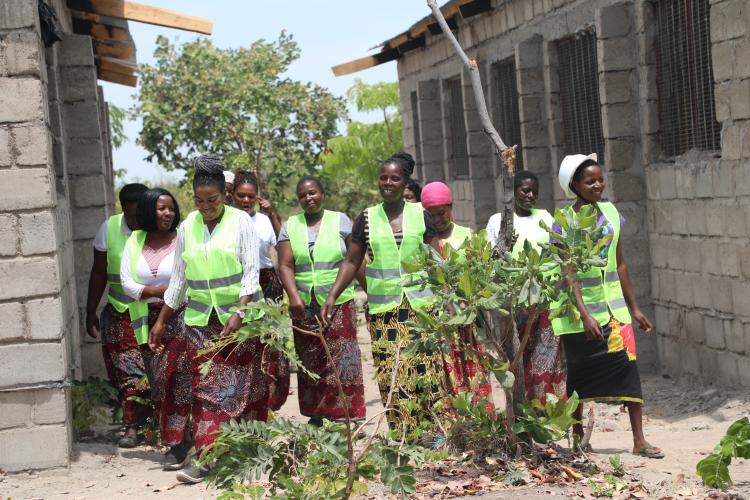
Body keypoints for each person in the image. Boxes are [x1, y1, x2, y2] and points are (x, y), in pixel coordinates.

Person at [150, 154, 268, 483]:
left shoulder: (241, 221)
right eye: (199, 201)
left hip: (239, 320)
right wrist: (162, 320)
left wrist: (240, 310)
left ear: (224, 195)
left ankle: (249, 452)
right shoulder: (187, 226)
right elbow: (179, 279)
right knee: (207, 389)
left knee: (246, 388)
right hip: (200, 320)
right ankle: (206, 455)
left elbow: (251, 271)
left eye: (212, 200)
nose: (206, 207)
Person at [321, 152, 443, 430]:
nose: (388, 182)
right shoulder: (366, 218)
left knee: (426, 368)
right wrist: (332, 295)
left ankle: (434, 431)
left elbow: (436, 259)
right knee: (393, 372)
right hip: (384, 311)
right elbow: (352, 261)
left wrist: (448, 297)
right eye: (383, 177)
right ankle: (404, 433)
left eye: (395, 178)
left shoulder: (420, 214)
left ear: (405, 183)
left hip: (421, 308)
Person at [552, 153, 662, 458]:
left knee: (630, 372)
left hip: (615, 314)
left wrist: (635, 308)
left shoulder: (611, 212)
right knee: (579, 380)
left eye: (600, 179)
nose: (598, 184)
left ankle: (639, 440)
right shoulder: (564, 222)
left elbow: (621, 263)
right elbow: (568, 273)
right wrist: (585, 315)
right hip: (580, 317)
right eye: (590, 181)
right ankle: (577, 442)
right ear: (574, 185)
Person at [276, 175, 366, 424]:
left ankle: (346, 413)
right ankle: (317, 412)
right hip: (303, 303)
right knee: (310, 358)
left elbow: (354, 260)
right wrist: (293, 296)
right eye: (303, 195)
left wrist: (369, 292)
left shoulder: (341, 221)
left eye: (313, 193)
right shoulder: (290, 225)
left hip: (339, 300)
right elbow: (285, 264)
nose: (308, 198)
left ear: (322, 194)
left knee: (343, 356)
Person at [119, 188, 192, 470]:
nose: (168, 213)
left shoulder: (181, 238)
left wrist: (165, 296)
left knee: (180, 379)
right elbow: (126, 281)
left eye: (171, 208)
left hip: (179, 317)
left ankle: (182, 443)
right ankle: (176, 439)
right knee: (160, 383)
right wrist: (156, 290)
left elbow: (183, 279)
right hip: (145, 322)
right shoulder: (135, 239)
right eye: (162, 208)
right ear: (150, 210)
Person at [485, 171, 565, 403]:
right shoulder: (497, 220)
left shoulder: (546, 217)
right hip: (513, 302)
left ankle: (543, 415)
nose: (531, 195)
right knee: (517, 359)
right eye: (525, 190)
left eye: (535, 192)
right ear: (512, 192)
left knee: (546, 360)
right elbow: (493, 259)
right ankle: (520, 413)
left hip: (543, 301)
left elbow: (558, 253)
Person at [86, 182, 149, 448]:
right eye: (130, 215)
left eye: (139, 214)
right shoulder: (109, 229)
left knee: (154, 372)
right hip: (121, 312)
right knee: (128, 375)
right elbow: (99, 272)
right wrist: (90, 310)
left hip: (155, 313)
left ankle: (153, 424)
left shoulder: (160, 227)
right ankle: (132, 427)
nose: (135, 220)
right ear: (122, 208)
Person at [420, 181, 493, 410]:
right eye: (430, 215)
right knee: (447, 373)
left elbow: (480, 274)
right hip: (439, 322)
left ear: (451, 207)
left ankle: (481, 420)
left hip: (468, 318)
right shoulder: (422, 241)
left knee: (475, 368)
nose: (437, 219)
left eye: (441, 213)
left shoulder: (466, 235)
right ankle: (455, 425)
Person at [232, 171, 289, 412]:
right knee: (243, 339)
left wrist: (272, 213)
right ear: (232, 195)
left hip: (267, 284)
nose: (246, 201)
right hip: (238, 285)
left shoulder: (264, 220)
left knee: (270, 340)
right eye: (241, 196)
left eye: (251, 197)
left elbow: (283, 241)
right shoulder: (226, 220)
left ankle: (269, 398)